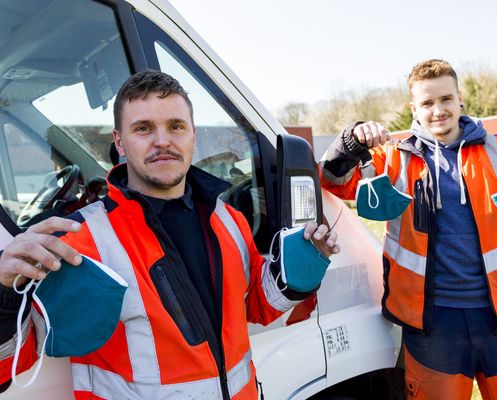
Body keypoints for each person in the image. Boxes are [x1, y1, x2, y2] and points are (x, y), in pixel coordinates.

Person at [0, 70, 339, 399]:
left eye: (175, 126)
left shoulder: (230, 221)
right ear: (119, 141)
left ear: (193, 134)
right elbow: (12, 364)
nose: (162, 141)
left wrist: (300, 269)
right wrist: (2, 291)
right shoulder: (81, 240)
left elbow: (253, 306)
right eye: (143, 128)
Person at [319, 59, 497, 399]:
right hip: (432, 328)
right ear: (413, 108)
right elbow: (331, 181)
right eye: (428, 102)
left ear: (460, 98)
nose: (438, 110)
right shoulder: (390, 159)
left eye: (446, 99)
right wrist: (350, 141)